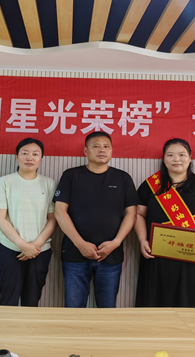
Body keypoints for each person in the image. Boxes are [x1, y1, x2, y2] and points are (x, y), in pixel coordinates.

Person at [134, 138, 195, 307]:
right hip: (158, 255)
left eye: (182, 155)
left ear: (190, 158)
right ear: (164, 159)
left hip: (194, 253)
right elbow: (138, 214)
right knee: (158, 303)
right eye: (170, 155)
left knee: (194, 302)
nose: (176, 159)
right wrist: (142, 240)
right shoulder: (151, 186)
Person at [53, 131, 139, 308]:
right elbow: (60, 212)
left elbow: (131, 214)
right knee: (73, 309)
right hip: (74, 254)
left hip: (110, 254)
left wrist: (116, 242)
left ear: (112, 151)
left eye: (106, 146)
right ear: (86, 151)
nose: (102, 150)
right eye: (96, 146)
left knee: (107, 309)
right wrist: (80, 244)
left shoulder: (123, 178)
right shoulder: (71, 175)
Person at [0, 138, 57, 306]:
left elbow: (52, 218)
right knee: (8, 300)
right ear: (16, 157)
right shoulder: (4, 182)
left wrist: (35, 245)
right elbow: (0, 219)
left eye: (35, 154)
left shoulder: (49, 183)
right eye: (25, 153)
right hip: (10, 248)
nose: (30, 158)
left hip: (40, 251)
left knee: (32, 301)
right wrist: (23, 245)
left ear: (41, 159)